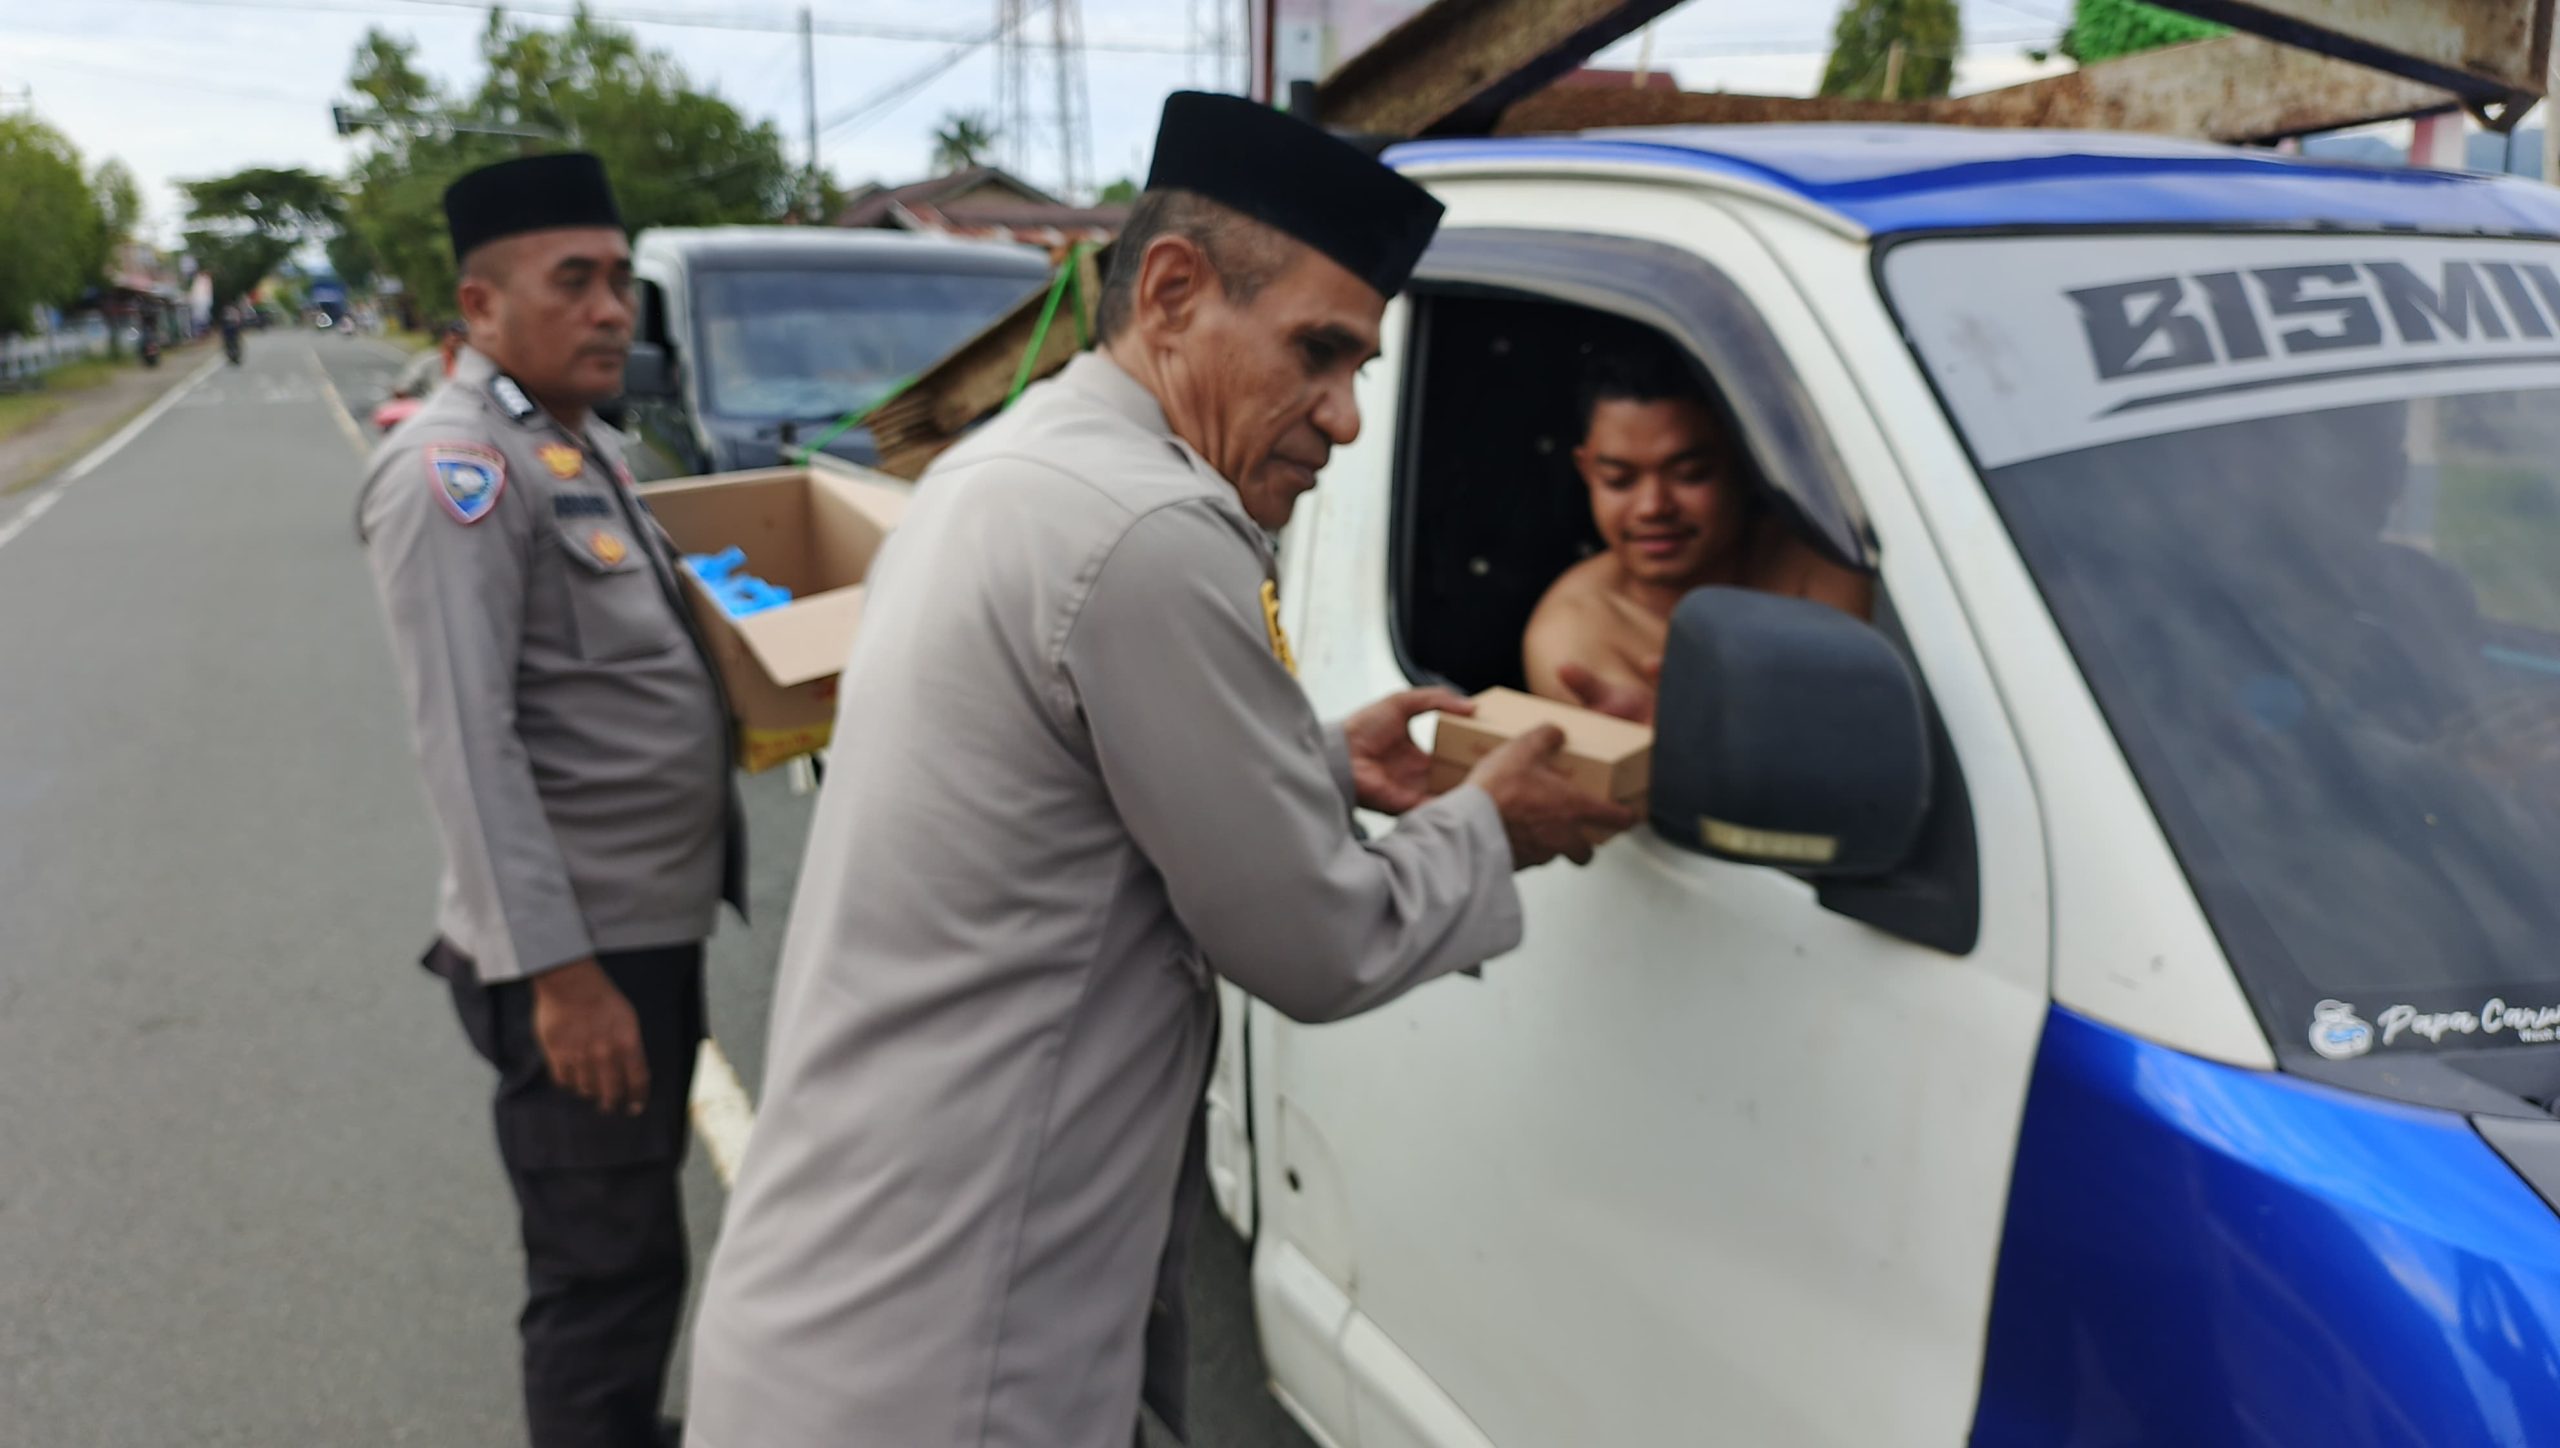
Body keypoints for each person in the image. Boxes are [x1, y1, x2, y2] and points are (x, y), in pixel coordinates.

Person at [682, 92, 1633, 1448]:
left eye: (1360, 366)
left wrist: (1306, 760)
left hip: (859, 1312)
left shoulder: (1012, 467)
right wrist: (1498, 824)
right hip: (956, 1362)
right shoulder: (1147, 529)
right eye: (1318, 352)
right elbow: (1320, 943)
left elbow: (1051, 781)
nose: (1346, 417)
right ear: (1175, 291)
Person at [356, 152, 744, 1448]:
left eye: (618, 280)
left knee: (634, 1254)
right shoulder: (459, 475)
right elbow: (469, 750)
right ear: (478, 309)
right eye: (571, 282)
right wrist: (564, 981)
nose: (608, 309)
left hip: (640, 933)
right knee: (604, 1280)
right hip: (583, 954)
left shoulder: (573, 447)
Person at [1522, 343, 1872, 722]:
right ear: (1587, 471)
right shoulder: (1572, 635)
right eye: (1619, 480)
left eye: (1690, 474)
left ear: (1744, 464)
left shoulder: (1816, 560)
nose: (1653, 506)